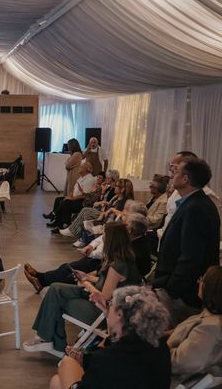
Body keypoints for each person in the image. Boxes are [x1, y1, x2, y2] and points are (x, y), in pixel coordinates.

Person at [24, 222, 141, 356]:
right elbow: (108, 283)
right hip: (101, 303)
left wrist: (86, 284)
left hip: (103, 313)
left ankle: (52, 342)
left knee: (57, 299)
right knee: (56, 288)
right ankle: (48, 339)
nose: (102, 237)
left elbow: (103, 297)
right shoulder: (123, 260)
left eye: (104, 234)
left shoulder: (118, 265)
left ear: (111, 239)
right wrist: (88, 278)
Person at [50, 285, 171, 389]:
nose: (108, 309)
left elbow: (109, 364)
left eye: (110, 305)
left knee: (60, 374)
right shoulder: (161, 347)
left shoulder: (107, 359)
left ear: (119, 314)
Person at [153, 157, 220, 327]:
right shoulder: (192, 203)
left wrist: (172, 290)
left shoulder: (196, 207)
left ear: (185, 179)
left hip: (181, 296)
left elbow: (191, 256)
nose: (171, 175)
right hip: (178, 290)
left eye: (176, 172)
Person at [168, 266, 222, 387]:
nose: (198, 281)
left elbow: (181, 363)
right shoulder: (211, 318)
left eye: (202, 279)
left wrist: (154, 350)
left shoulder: (211, 329)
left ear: (211, 288)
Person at [48, 162, 96, 232]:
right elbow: (73, 189)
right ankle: (57, 221)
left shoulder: (90, 179)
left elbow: (84, 195)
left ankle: (64, 223)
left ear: (86, 169)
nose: (79, 168)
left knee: (65, 203)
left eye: (81, 167)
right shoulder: (81, 178)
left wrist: (71, 198)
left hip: (81, 202)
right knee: (58, 199)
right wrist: (68, 196)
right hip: (74, 199)